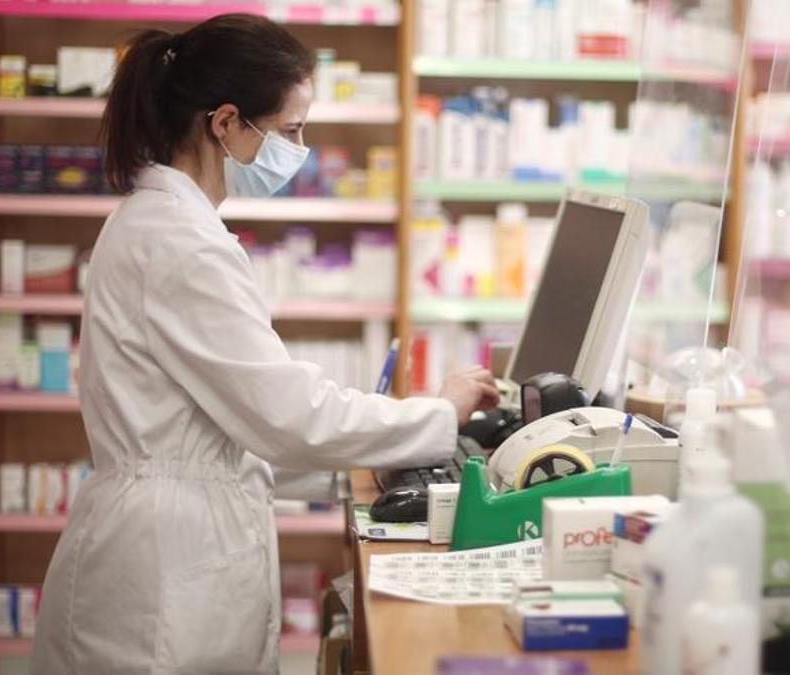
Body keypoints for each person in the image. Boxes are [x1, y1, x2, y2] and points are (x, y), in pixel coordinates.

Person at [30, 15, 499, 673]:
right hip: (159, 581)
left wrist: (370, 449)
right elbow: (286, 415)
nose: (299, 150)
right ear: (225, 123)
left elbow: (231, 431)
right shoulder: (181, 243)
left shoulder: (168, 224)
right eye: (290, 131)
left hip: (168, 542)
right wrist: (439, 415)